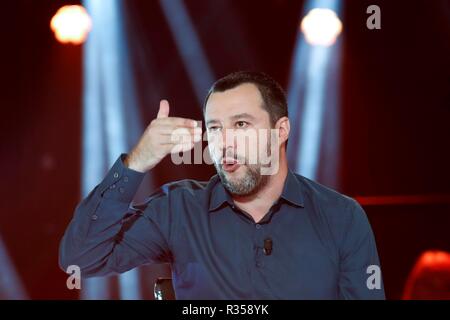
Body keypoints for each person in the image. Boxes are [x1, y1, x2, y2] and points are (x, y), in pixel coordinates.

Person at [59, 71, 385, 299]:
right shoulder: (179, 209)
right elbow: (80, 258)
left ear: (280, 129)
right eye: (214, 129)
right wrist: (137, 163)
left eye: (241, 124)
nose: (224, 142)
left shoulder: (341, 216)